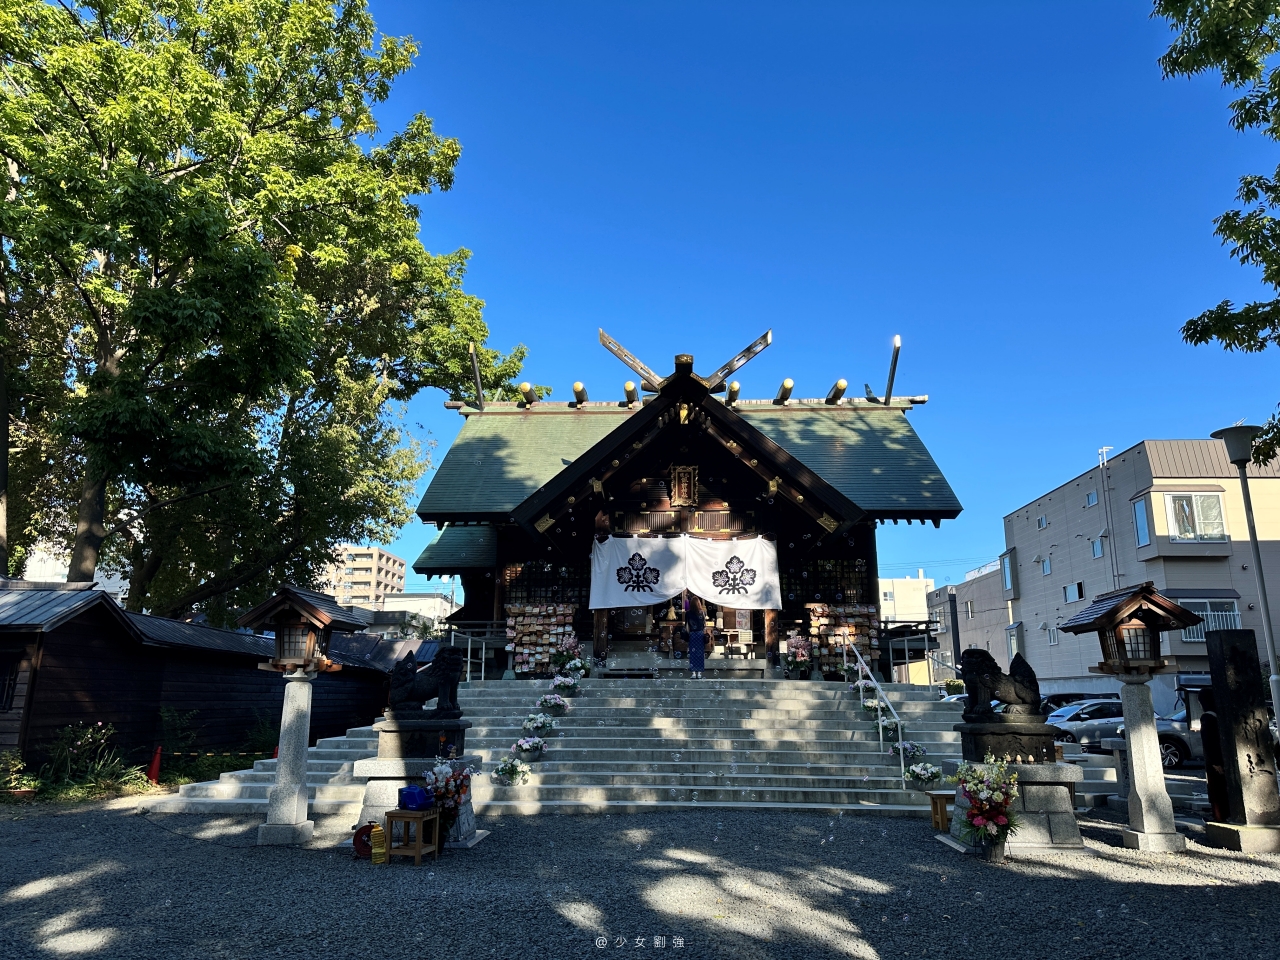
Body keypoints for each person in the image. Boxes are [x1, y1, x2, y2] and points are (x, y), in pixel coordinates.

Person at [686, 596, 708, 679]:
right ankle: (699, 673)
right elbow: (704, 624)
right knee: (700, 654)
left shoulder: (688, 613)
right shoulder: (702, 612)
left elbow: (687, 626)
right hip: (700, 634)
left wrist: (689, 634)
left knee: (692, 654)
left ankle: (693, 673)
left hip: (692, 634)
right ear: (699, 603)